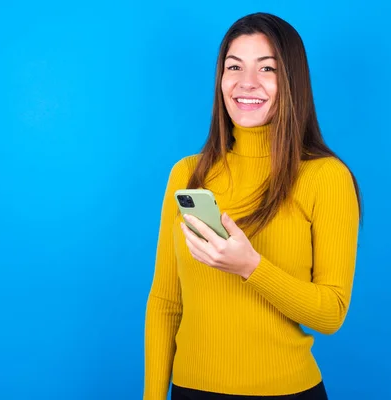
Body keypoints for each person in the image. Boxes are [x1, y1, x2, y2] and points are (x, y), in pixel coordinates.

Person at [143, 12, 361, 400]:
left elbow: (331, 313)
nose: (247, 83)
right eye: (234, 67)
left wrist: (250, 267)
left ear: (292, 81)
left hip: (287, 392)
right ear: (220, 79)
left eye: (267, 68)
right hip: (191, 390)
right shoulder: (188, 174)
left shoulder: (325, 177)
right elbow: (164, 302)